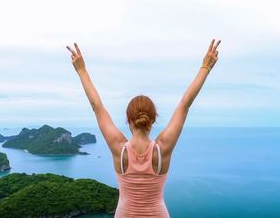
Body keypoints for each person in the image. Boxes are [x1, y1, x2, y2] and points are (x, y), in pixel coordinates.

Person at [66, 39, 221, 217]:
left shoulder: (119, 148)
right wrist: (205, 67)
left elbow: (97, 106)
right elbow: (185, 104)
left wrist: (81, 70)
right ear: (153, 119)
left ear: (128, 120)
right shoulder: (162, 149)